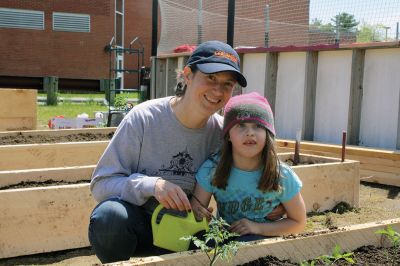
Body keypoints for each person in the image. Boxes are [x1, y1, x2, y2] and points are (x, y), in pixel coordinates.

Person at [88, 40, 247, 263]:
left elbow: (245, 180)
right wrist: (152, 185)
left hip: (188, 230)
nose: (218, 90)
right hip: (139, 226)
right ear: (188, 75)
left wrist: (270, 205)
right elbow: (101, 184)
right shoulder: (144, 118)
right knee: (109, 219)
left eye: (227, 84)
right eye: (210, 78)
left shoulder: (222, 134)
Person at [191, 92, 306, 242]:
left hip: (266, 246)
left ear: (267, 134)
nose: (250, 133)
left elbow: (299, 223)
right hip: (225, 241)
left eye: (258, 126)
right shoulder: (211, 169)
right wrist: (199, 216)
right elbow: (195, 214)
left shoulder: (281, 174)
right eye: (241, 126)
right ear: (228, 135)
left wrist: (256, 228)